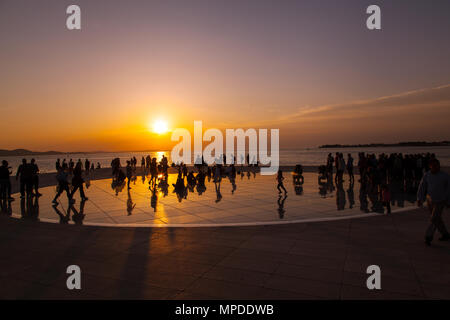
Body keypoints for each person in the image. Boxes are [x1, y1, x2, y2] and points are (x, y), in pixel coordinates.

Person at [417, 158, 450, 246]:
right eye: (434, 166)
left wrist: (448, 200)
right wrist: (419, 198)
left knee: (433, 218)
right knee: (437, 219)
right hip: (430, 200)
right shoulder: (427, 175)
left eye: (437, 165)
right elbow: (422, 186)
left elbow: (449, 189)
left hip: (441, 200)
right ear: (430, 166)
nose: (436, 167)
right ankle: (445, 234)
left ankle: (428, 236)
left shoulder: (445, 176)